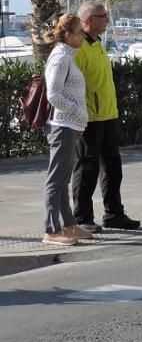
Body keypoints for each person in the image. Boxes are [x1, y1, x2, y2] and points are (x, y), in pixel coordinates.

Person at [71, 2, 140, 232]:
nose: (107, 20)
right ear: (89, 20)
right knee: (86, 168)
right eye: (103, 16)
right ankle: (81, 218)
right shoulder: (79, 47)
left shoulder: (97, 43)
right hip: (89, 118)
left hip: (108, 114)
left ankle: (114, 214)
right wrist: (79, 115)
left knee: (112, 167)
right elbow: (72, 85)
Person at [41, 14, 94, 246]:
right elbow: (53, 95)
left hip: (69, 125)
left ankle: (69, 225)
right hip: (61, 125)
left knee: (62, 179)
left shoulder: (67, 57)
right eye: (80, 32)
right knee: (56, 179)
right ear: (69, 35)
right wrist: (77, 112)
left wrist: (79, 120)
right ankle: (51, 230)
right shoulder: (60, 58)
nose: (83, 36)